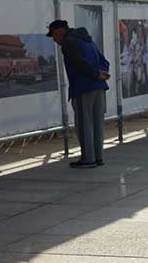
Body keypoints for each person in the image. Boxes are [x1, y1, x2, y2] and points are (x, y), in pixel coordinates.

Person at [47, 19, 109, 168]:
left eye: (53, 35)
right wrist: (102, 73)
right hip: (99, 87)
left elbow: (78, 63)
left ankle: (88, 159)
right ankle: (98, 157)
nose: (54, 39)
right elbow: (103, 60)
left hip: (83, 87)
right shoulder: (87, 40)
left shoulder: (69, 42)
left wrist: (96, 74)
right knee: (97, 124)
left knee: (84, 125)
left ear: (60, 30)